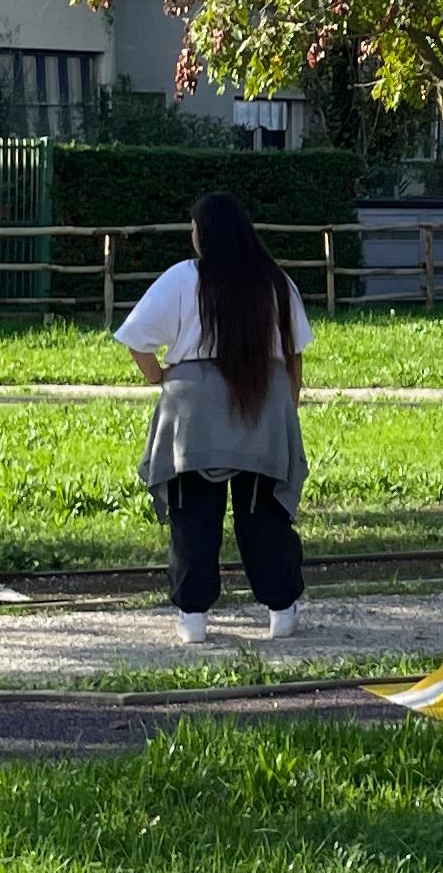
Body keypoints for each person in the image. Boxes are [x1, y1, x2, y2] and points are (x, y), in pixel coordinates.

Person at [116, 192, 314, 647]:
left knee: (194, 513)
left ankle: (193, 616)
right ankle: (281, 608)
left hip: (194, 410)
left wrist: (161, 376)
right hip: (262, 403)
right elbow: (293, 355)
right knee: (263, 512)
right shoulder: (276, 282)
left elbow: (137, 338)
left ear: (205, 233)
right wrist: (288, 408)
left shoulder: (183, 279)